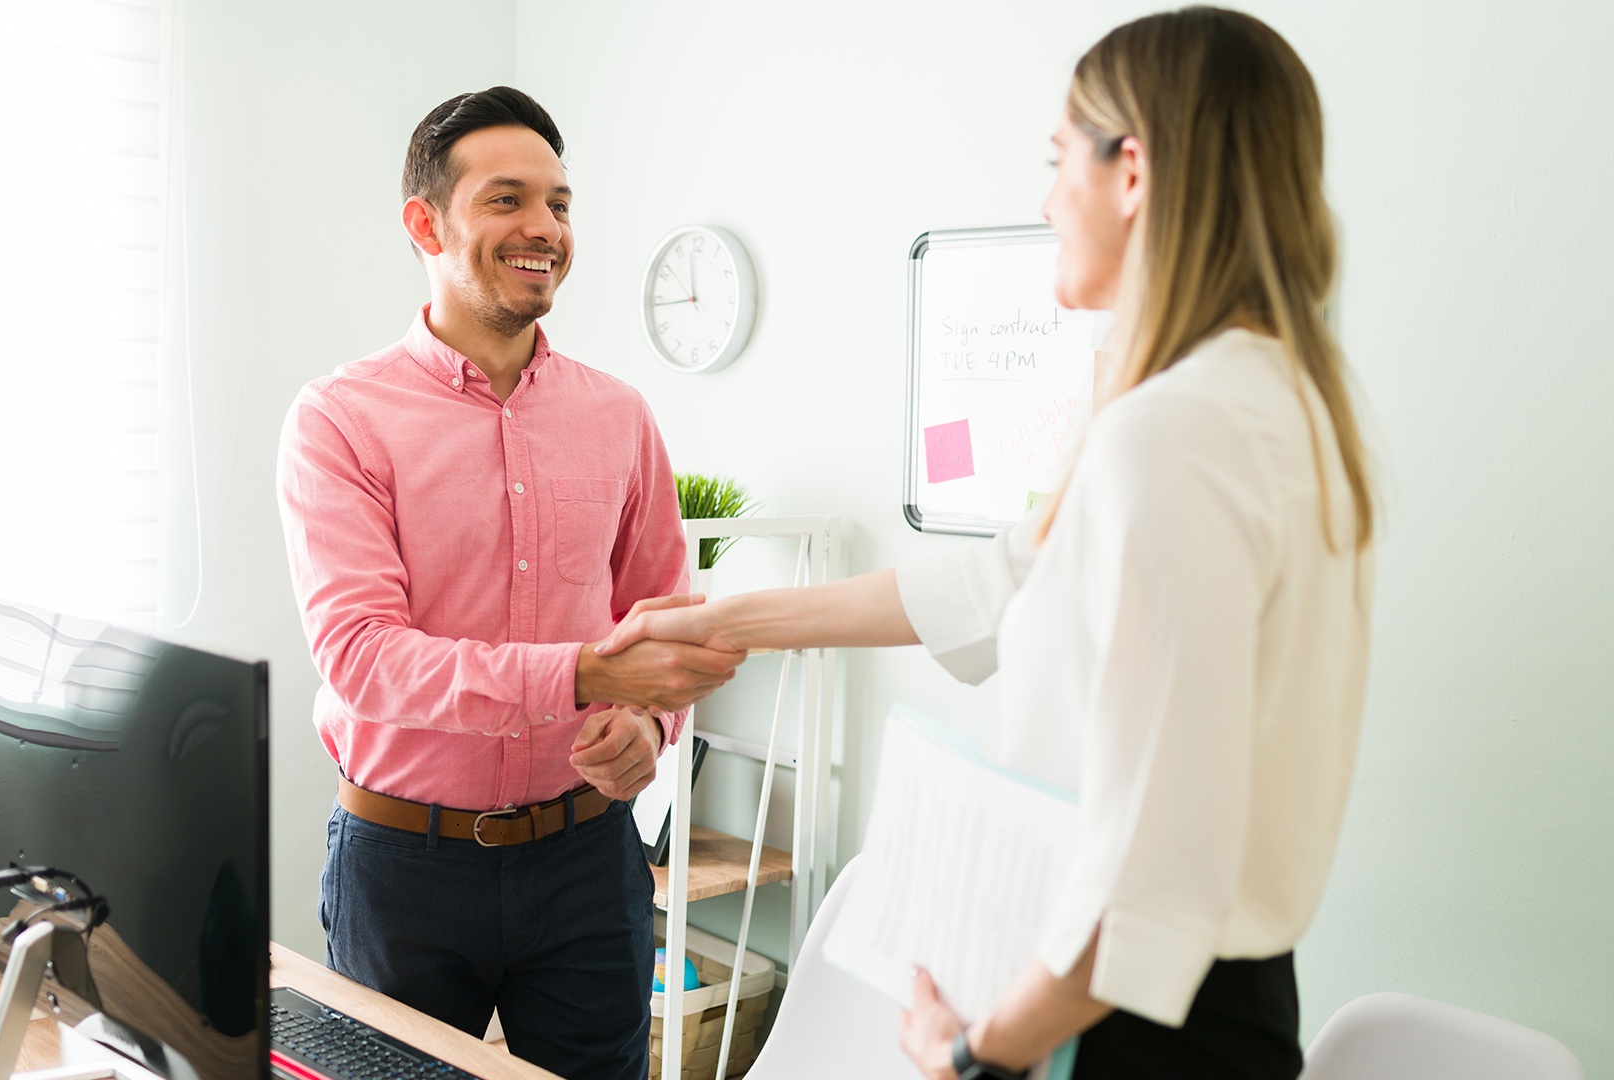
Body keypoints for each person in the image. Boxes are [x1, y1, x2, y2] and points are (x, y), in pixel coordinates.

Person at [595, 9, 1375, 1079]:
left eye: (1059, 161)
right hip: (1212, 1003)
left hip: (1124, 1025)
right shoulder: (1275, 404)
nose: (1047, 201)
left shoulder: (1174, 433)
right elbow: (996, 582)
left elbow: (1153, 862)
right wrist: (725, 621)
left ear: (1133, 171)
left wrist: (976, 1053)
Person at [275, 86, 746, 1080]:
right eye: (507, 200)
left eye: (560, 204)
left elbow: (665, 623)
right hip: (403, 867)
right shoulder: (339, 420)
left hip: (588, 861)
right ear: (425, 225)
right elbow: (363, 659)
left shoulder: (619, 417)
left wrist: (647, 725)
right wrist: (586, 676)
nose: (545, 228)